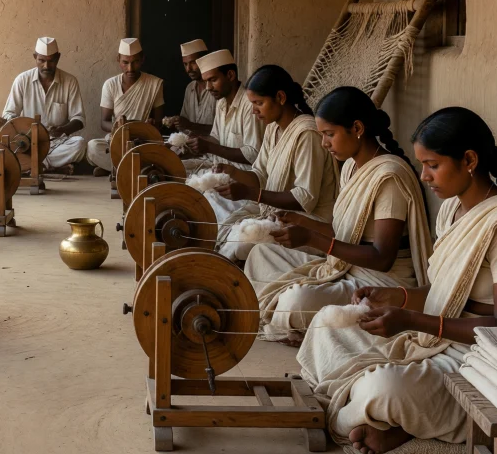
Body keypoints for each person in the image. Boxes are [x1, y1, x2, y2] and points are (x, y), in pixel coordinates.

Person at [298, 107, 497, 454]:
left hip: (480, 361)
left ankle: (394, 421)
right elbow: (446, 294)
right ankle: (379, 418)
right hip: (434, 338)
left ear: (468, 159)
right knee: (327, 325)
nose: (423, 176)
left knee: (383, 387)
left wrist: (410, 320)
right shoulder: (454, 209)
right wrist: (398, 296)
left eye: (433, 165)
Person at [245, 86, 433, 343]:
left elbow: (382, 258)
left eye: (330, 134)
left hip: (378, 280)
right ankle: (306, 327)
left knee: (295, 302)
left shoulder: (389, 176)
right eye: (323, 135)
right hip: (345, 267)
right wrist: (302, 224)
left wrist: (312, 240)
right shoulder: (350, 169)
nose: (324, 143)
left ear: (357, 129)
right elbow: (344, 233)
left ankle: (307, 328)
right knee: (262, 253)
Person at [211, 64, 339, 261]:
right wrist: (232, 172)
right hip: (278, 215)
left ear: (280, 97)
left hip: (309, 224)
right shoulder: (273, 129)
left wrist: (251, 194)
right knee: (227, 227)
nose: (254, 111)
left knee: (242, 243)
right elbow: (259, 175)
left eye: (259, 103)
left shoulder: (307, 133)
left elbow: (305, 198)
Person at [0, 36, 87, 174]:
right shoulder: (22, 80)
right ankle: (48, 166)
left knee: (80, 144)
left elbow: (79, 119)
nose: (46, 66)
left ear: (58, 58)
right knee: (5, 149)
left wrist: (62, 130)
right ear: (35, 57)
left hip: (56, 142)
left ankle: (32, 166)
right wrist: (25, 129)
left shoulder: (70, 81)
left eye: (51, 61)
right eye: (41, 60)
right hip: (27, 142)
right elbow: (8, 114)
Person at [86, 37, 165, 175]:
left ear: (142, 60)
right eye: (125, 62)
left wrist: (150, 126)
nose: (130, 68)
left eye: (135, 62)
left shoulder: (154, 84)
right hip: (117, 139)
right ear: (118, 60)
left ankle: (116, 169)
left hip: (143, 140)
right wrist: (119, 126)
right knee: (93, 147)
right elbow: (104, 122)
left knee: (163, 151)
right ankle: (131, 169)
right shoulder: (110, 85)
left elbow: (159, 123)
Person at [179, 49, 264, 172]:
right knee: (175, 168)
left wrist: (209, 147)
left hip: (242, 176)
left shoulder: (249, 105)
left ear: (230, 75)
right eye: (206, 81)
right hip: (219, 167)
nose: (208, 87)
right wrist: (194, 142)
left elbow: (253, 154)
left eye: (213, 80)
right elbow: (216, 138)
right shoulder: (221, 102)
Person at [163, 38, 216, 135]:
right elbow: (185, 124)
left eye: (193, 62)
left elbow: (222, 131)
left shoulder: (217, 88)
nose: (188, 69)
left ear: (205, 59)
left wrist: (190, 125)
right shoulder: (190, 88)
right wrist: (177, 122)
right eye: (185, 64)